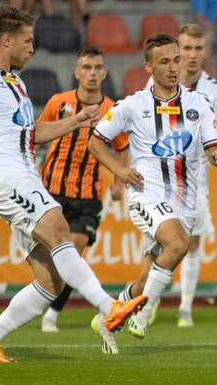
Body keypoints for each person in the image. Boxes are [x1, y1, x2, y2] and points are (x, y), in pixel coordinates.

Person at [0, 5, 146, 362]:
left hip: (25, 173)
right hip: (6, 175)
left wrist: (76, 121)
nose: (33, 48)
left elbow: (31, 133)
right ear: (6, 41)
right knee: (60, 228)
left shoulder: (15, 83)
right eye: (27, 41)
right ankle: (109, 307)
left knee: (51, 280)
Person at [89, 32, 217, 340]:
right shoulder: (132, 105)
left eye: (176, 60)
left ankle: (112, 311)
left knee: (147, 277)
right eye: (164, 62)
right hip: (146, 195)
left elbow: (213, 147)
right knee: (178, 244)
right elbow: (96, 141)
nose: (173, 67)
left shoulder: (199, 104)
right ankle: (142, 315)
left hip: (185, 201)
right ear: (148, 67)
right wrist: (119, 170)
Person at [38, 46, 129, 333]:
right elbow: (37, 134)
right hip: (52, 191)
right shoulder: (58, 103)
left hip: (88, 195)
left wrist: (118, 181)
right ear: (76, 72)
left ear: (104, 73)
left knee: (74, 252)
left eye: (97, 68)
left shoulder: (112, 110)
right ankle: (39, 302)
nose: (92, 73)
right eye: (86, 67)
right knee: (48, 258)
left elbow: (122, 147)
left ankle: (52, 314)